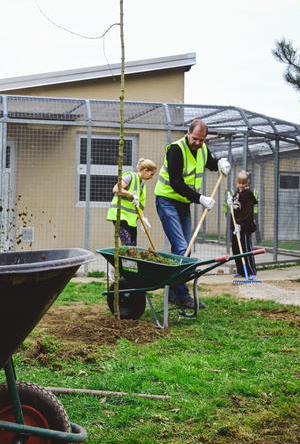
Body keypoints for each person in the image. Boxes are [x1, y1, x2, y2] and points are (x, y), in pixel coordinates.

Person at [153, 118, 230, 308]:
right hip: (167, 201)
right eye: (195, 138)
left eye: (202, 140)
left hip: (183, 204)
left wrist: (220, 163)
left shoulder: (202, 149)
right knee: (181, 248)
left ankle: (172, 291)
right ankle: (183, 296)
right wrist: (201, 199)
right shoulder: (175, 150)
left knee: (185, 248)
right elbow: (177, 184)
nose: (198, 143)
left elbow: (210, 163)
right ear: (188, 133)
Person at [106, 158, 158, 247]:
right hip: (120, 215)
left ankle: (130, 261)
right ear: (145, 170)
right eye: (151, 174)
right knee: (127, 243)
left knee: (133, 245)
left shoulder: (142, 185)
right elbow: (116, 189)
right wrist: (130, 194)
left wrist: (143, 220)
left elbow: (139, 206)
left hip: (131, 219)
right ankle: (122, 260)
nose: (151, 177)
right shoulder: (130, 177)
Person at [229, 170, 258, 280]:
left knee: (246, 249)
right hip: (235, 227)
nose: (241, 185)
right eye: (239, 183)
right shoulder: (237, 193)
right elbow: (234, 208)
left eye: (243, 183)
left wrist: (240, 224)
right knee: (236, 249)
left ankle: (251, 271)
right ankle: (241, 271)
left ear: (247, 183)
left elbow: (247, 212)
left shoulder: (248, 195)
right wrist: (230, 202)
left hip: (245, 227)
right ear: (236, 182)